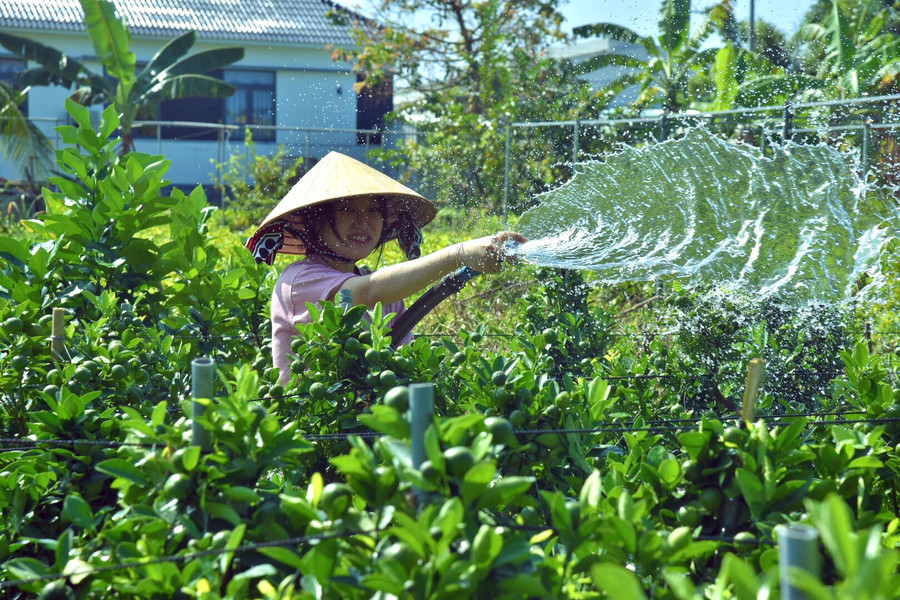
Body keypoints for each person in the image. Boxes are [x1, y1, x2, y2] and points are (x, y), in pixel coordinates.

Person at [246, 151, 525, 384]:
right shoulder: (298, 281)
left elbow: (404, 359)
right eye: (348, 209)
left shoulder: (382, 292)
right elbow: (365, 294)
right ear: (315, 221)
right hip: (317, 431)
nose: (363, 222)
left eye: (373, 211)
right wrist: (459, 254)